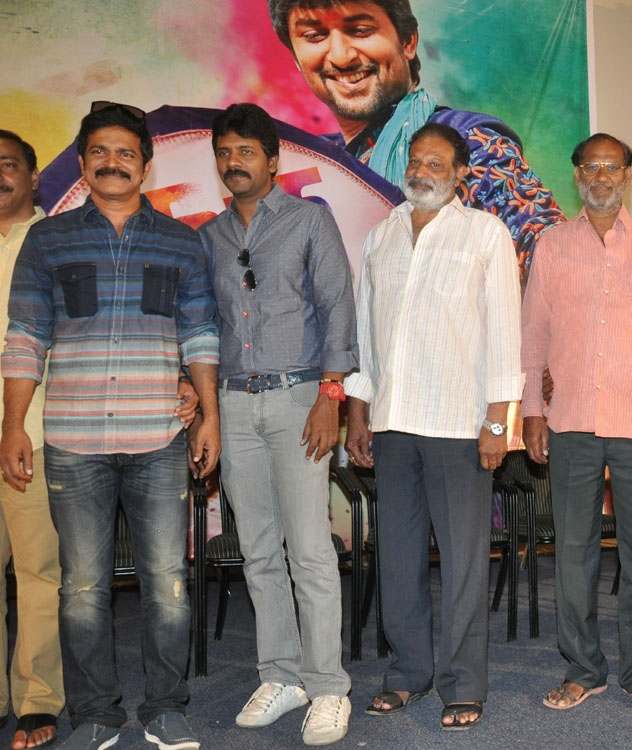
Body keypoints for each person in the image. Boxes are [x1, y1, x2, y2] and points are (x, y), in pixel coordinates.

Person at [0, 102, 220, 750]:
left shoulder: (181, 242)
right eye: (99, 151)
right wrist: (13, 425)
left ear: (146, 166)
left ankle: (165, 708)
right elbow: (25, 337)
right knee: (81, 589)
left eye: (126, 152)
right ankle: (94, 714)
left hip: (158, 438)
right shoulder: (48, 241)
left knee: (168, 586)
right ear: (83, 162)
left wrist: (208, 414)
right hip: (74, 442)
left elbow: (200, 334)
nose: (113, 162)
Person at [344, 122, 522, 731]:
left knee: (464, 561)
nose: (422, 170)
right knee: (397, 556)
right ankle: (407, 673)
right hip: (393, 421)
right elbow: (366, 333)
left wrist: (499, 420)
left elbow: (503, 330)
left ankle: (464, 683)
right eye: (416, 160)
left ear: (461, 173)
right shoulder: (382, 236)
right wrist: (358, 409)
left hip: (458, 423)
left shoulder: (485, 233)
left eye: (436, 162)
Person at [199, 103, 357, 745]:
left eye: (246, 151)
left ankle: (328, 686)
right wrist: (201, 402)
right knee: (259, 551)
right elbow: (203, 326)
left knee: (309, 550)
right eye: (225, 152)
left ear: (273, 159)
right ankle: (282, 676)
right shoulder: (209, 237)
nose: (234, 162)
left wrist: (330, 396)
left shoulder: (309, 221)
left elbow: (338, 307)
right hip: (234, 404)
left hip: (299, 401)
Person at [522, 133, 632, 714]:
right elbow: (533, 334)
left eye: (611, 167)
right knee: (574, 552)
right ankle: (584, 667)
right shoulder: (552, 245)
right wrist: (532, 409)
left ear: (627, 176)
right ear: (576, 176)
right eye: (591, 167)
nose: (601, 176)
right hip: (570, 421)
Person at [267, 0, 564, 268]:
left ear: (408, 41)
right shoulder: (314, 163)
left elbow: (556, 262)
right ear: (296, 58)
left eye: (360, 30)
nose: (342, 57)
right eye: (314, 36)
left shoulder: (469, 146)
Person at [0, 129, 64, 750]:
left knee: (37, 572)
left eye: (8, 164)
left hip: (33, 434)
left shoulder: (55, 243)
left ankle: (37, 700)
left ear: (33, 175)